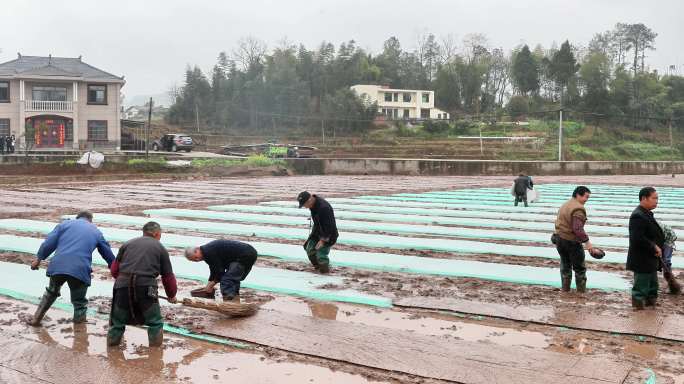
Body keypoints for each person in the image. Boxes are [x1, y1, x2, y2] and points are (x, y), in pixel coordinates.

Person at [28, 211, 115, 326]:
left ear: (77, 218)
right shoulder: (96, 231)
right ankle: (79, 331)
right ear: (90, 220)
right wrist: (115, 269)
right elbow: (107, 252)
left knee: (51, 292)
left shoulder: (64, 225)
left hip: (58, 266)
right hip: (79, 269)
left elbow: (49, 243)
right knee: (79, 302)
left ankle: (36, 319)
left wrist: (38, 259)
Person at [108, 221, 177, 347]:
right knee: (155, 322)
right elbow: (168, 276)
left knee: (117, 322)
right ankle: (155, 356)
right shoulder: (160, 248)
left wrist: (123, 282)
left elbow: (114, 270)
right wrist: (171, 295)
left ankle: (112, 351)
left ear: (144, 233)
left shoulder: (127, 244)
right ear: (157, 234)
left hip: (122, 285)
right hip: (146, 286)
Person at [627, 187, 665, 309]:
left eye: (657, 198)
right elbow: (637, 238)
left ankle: (650, 308)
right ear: (644, 198)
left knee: (652, 286)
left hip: (650, 258)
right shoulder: (637, 216)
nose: (656, 201)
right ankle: (638, 312)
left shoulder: (646, 213)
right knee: (641, 287)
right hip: (642, 259)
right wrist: (654, 246)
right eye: (654, 198)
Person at [185, 239, 257, 302]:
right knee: (232, 279)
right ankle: (235, 302)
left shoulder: (208, 251)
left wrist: (210, 286)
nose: (198, 260)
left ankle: (230, 303)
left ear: (197, 249)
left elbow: (220, 272)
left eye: (196, 257)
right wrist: (209, 285)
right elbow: (214, 270)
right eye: (195, 260)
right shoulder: (207, 252)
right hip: (249, 252)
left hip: (245, 255)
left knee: (227, 280)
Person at [553, 186, 594, 293]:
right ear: (578, 195)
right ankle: (581, 293)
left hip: (559, 239)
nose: (587, 200)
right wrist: (588, 243)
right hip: (571, 242)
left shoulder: (565, 204)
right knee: (580, 269)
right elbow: (577, 229)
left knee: (565, 266)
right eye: (586, 197)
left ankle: (565, 290)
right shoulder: (578, 208)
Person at [298, 191, 339, 273]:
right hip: (317, 231)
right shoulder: (312, 205)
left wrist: (323, 240)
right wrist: (311, 237)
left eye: (304, 205)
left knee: (321, 254)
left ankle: (325, 273)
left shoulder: (324, 208)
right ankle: (318, 268)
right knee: (309, 249)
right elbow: (317, 223)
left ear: (309, 200)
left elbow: (329, 226)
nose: (305, 207)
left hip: (329, 234)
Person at [658, 220, 681, 294]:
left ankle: (672, 285)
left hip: (669, 239)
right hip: (662, 237)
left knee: (666, 261)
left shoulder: (654, 227)